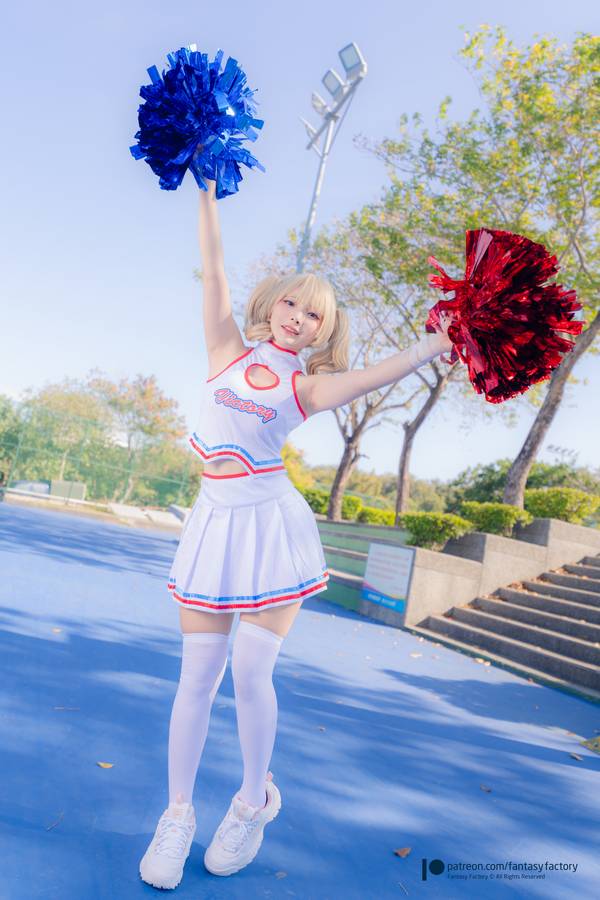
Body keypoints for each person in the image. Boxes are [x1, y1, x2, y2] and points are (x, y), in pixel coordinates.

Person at [139, 179, 453, 888]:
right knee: (196, 679)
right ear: (271, 304)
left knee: (251, 674)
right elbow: (214, 272)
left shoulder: (306, 387)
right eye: (291, 303)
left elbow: (377, 375)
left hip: (270, 529)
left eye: (314, 315)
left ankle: (252, 802)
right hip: (213, 524)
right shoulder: (224, 349)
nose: (298, 318)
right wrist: (207, 193)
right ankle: (177, 814)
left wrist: (438, 342)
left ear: (320, 333)